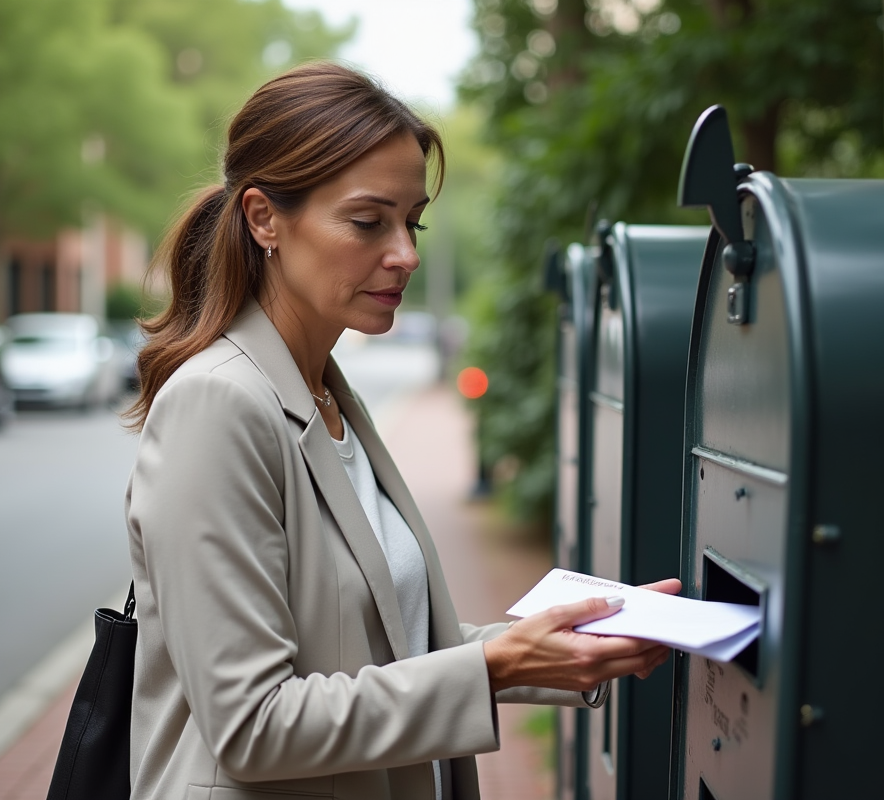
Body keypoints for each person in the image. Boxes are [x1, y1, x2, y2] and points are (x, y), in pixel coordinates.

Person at [123, 61, 679, 800]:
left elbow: (392, 649)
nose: (406, 254)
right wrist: (497, 666)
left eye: (412, 221)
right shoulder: (218, 405)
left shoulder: (327, 394)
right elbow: (252, 725)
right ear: (264, 219)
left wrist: (563, 643)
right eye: (367, 221)